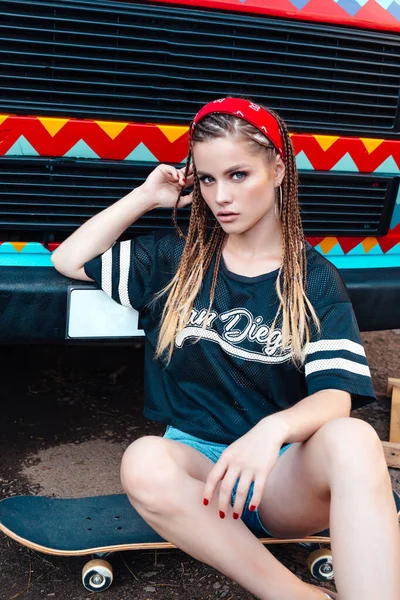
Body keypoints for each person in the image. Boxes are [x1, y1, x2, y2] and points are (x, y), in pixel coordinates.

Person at [51, 97, 400, 600]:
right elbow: (69, 257)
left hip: (280, 475)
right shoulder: (173, 260)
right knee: (143, 459)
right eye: (208, 179)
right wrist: (147, 196)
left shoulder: (314, 280)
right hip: (199, 476)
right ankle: (295, 595)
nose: (221, 196)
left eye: (238, 175)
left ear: (278, 169)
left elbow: (336, 398)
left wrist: (271, 430)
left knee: (354, 438)